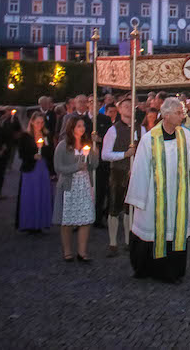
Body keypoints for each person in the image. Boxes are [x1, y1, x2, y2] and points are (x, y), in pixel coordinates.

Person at [126, 98, 190, 282]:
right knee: (152, 229)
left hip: (178, 193)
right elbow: (140, 168)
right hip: (155, 195)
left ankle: (172, 271)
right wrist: (140, 197)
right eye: (178, 113)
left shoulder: (185, 135)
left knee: (174, 231)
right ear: (166, 115)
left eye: (182, 112)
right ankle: (146, 269)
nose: (182, 116)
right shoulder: (149, 139)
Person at [53, 116, 98, 262]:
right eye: (79, 126)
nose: (82, 128)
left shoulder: (87, 143)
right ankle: (67, 251)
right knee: (67, 220)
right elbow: (58, 167)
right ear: (72, 128)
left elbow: (93, 165)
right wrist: (75, 167)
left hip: (84, 184)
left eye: (83, 126)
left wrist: (94, 152)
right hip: (69, 186)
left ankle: (82, 251)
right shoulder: (63, 145)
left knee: (86, 218)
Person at [101, 96, 137, 256]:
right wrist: (124, 154)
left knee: (131, 208)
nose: (129, 108)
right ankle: (112, 242)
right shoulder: (113, 130)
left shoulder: (139, 128)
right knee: (115, 207)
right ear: (120, 109)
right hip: (118, 172)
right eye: (125, 106)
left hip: (134, 172)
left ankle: (129, 241)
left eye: (131, 105)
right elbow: (105, 154)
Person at [15, 112, 52, 234]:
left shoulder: (46, 135)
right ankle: (29, 223)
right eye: (37, 122)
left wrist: (44, 152)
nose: (40, 125)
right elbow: (21, 154)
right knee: (30, 196)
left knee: (42, 194)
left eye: (42, 122)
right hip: (30, 169)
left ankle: (40, 222)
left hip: (42, 168)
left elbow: (50, 152)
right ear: (32, 122)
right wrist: (32, 156)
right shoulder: (25, 136)